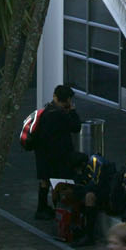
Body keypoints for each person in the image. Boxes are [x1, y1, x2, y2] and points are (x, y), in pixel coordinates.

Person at [27, 81, 84, 219]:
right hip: (57, 156)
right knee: (61, 179)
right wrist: (73, 111)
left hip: (42, 154)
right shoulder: (60, 115)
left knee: (44, 180)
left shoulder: (47, 110)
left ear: (55, 96)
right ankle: (58, 208)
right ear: (68, 100)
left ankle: (42, 208)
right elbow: (76, 127)